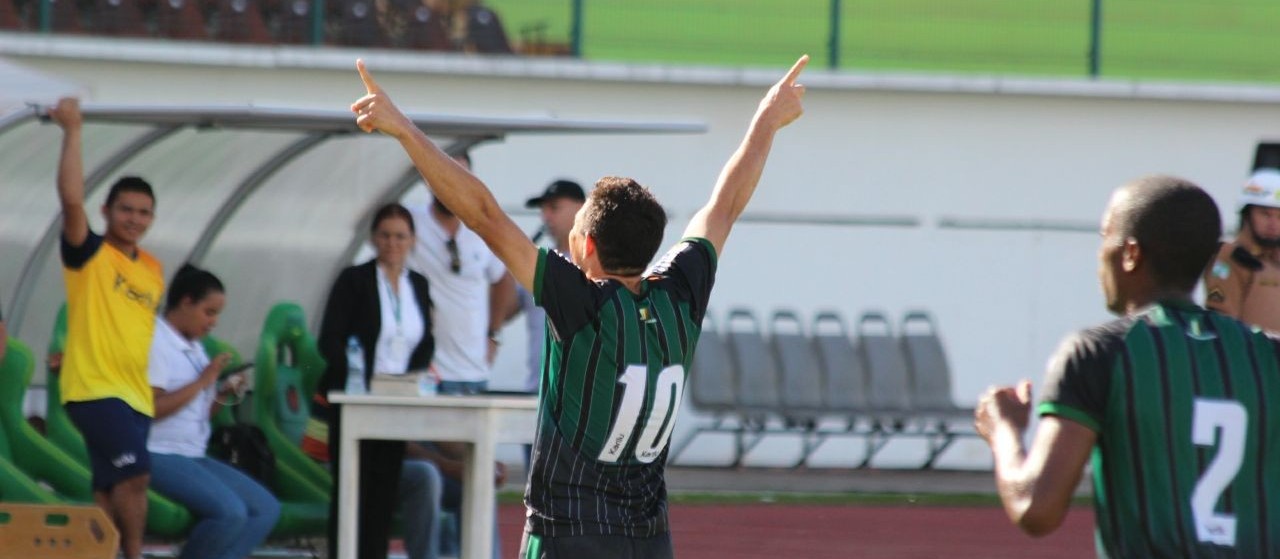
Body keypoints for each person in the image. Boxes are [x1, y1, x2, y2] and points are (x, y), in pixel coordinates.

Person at [350, 53, 808, 558]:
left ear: (586, 248)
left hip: (571, 534)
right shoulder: (681, 294)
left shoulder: (583, 304)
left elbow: (484, 215)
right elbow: (724, 206)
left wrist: (403, 130)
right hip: (651, 540)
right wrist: (767, 119)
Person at [975, 175, 1280, 557]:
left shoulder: (1098, 351)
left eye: (1105, 236)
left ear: (1130, 253)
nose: (1099, 253)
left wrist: (1003, 429)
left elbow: (1036, 509)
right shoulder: (1268, 355)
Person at [49, 97, 164, 559]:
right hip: (93, 389)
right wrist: (72, 130)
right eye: (126, 210)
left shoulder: (154, 269)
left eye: (143, 212)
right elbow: (70, 199)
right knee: (137, 476)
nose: (134, 219)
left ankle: (105, 552)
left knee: (110, 485)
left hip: (136, 394)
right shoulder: (89, 252)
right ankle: (132, 556)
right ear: (107, 210)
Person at [316, 203, 436, 559]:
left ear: (412, 240)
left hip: (396, 402)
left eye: (400, 236)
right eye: (385, 235)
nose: (392, 243)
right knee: (352, 494)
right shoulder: (354, 280)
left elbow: (426, 340)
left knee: (383, 494)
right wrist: (358, 379)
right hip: (356, 402)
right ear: (372, 238)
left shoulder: (418, 284)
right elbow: (330, 338)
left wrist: (410, 378)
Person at [146, 265, 281, 559]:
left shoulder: (194, 347)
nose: (213, 323)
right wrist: (203, 381)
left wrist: (220, 393)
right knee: (230, 514)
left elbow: (196, 414)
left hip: (191, 452)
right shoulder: (156, 343)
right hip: (157, 452)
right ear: (185, 303)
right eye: (209, 312)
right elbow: (150, 410)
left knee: (266, 509)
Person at [405, 152, 515, 395]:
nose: (451, 183)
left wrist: (493, 334)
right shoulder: (410, 222)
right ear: (429, 177)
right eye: (444, 174)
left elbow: (503, 279)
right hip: (426, 372)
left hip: (475, 372)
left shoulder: (481, 226)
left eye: (460, 176)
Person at [515, 179, 586, 394]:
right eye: (543, 210)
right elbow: (504, 309)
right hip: (538, 389)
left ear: (582, 208)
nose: (546, 216)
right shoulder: (538, 262)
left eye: (554, 208)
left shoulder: (596, 262)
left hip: (579, 394)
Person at [1203, 168, 1280, 332]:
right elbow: (1223, 325)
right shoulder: (1233, 258)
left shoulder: (1274, 259)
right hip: (1250, 355)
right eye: (1265, 214)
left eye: (1279, 216)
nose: (1273, 224)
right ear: (1247, 215)